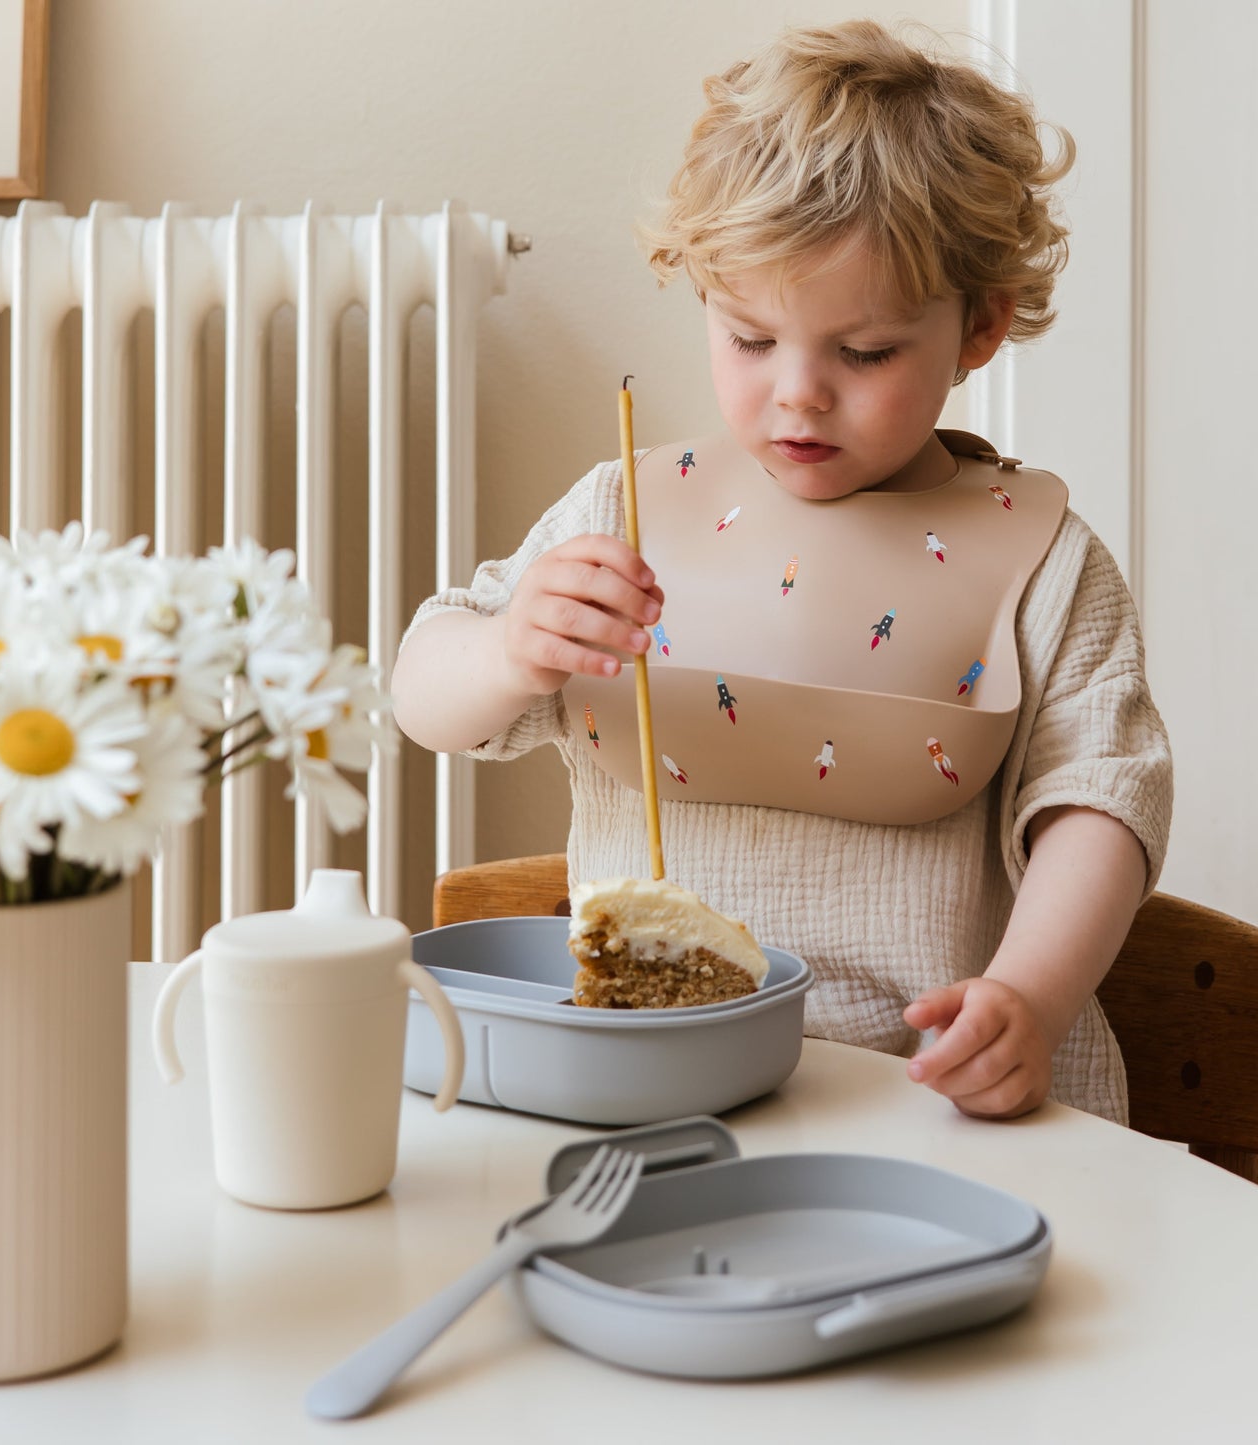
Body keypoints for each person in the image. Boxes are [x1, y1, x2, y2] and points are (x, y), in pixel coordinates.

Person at [392, 19, 1172, 1124]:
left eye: (862, 353)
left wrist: (1028, 1000)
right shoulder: (620, 505)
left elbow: (1102, 799)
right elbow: (425, 693)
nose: (797, 393)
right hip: (649, 1090)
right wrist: (509, 643)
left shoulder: (1045, 559)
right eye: (751, 339)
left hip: (928, 1097)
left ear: (979, 325)